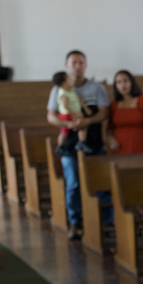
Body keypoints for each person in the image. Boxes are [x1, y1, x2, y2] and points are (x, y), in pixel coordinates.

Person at [46, 50, 109, 240]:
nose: (77, 66)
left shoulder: (96, 88)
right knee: (73, 183)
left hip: (93, 141)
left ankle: (106, 221)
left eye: (81, 62)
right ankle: (75, 221)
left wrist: (86, 122)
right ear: (66, 65)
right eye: (74, 62)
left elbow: (104, 113)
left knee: (101, 181)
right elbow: (51, 116)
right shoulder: (57, 90)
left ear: (86, 65)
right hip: (70, 143)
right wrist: (68, 124)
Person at [106, 70, 143, 155]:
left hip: (141, 147)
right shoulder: (114, 105)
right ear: (115, 86)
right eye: (119, 82)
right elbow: (109, 128)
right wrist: (110, 139)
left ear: (132, 82)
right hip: (120, 149)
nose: (123, 85)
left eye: (125, 80)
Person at [51, 72, 94, 156]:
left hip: (68, 114)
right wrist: (76, 114)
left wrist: (86, 109)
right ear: (64, 83)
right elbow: (65, 106)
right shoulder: (63, 93)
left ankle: (60, 146)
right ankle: (81, 142)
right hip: (67, 115)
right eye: (69, 79)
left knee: (65, 131)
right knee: (83, 126)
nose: (72, 80)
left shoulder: (70, 90)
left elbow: (79, 100)